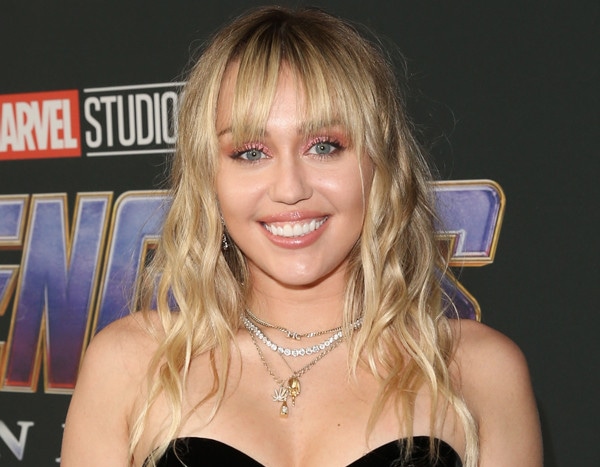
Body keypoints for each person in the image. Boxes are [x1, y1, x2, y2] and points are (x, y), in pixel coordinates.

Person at [61, 5, 542, 467]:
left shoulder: (479, 371)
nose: (290, 188)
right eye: (251, 152)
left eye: (324, 146)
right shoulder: (131, 366)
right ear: (209, 177)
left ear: (380, 163)